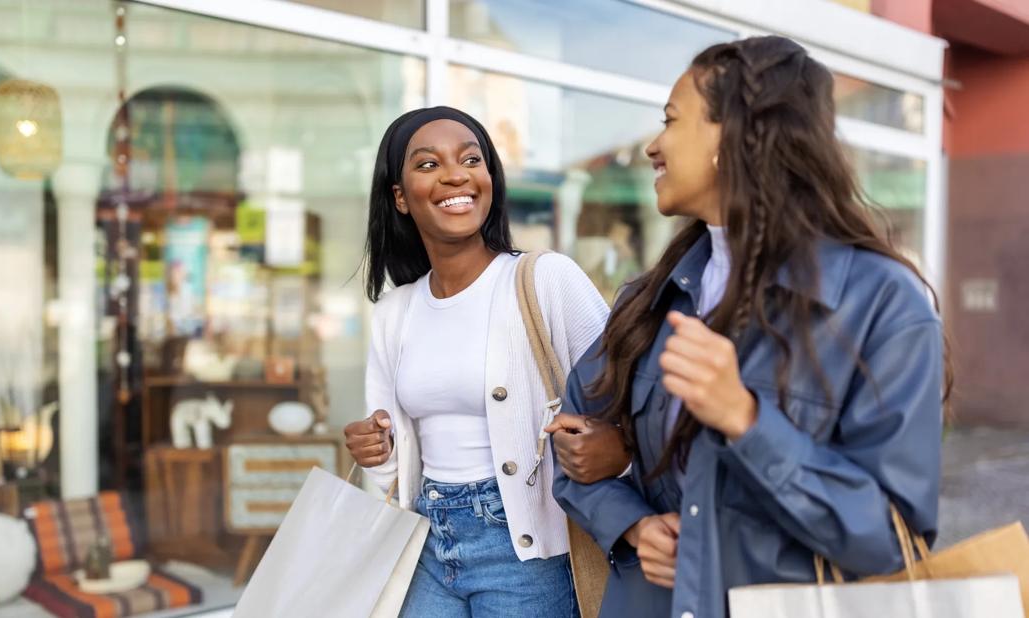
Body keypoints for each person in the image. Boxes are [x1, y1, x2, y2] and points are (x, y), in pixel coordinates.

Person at [547, 36, 951, 618]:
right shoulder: (649, 298)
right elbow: (573, 443)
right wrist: (631, 523)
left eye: (671, 121)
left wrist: (745, 419)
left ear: (732, 133)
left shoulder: (883, 302)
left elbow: (891, 540)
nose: (651, 147)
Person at [343, 106, 610, 617]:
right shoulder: (395, 310)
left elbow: (624, 396)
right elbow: (391, 469)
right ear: (399, 197)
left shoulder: (545, 279)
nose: (455, 174)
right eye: (427, 165)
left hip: (525, 548)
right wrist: (375, 449)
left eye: (472, 159)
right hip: (426, 539)